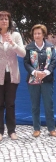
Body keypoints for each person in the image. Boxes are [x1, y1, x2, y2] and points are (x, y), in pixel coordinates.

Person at [24, 24, 56, 137]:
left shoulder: (50, 47)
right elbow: (26, 63)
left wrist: (46, 73)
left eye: (39, 33)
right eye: (35, 34)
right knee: (35, 105)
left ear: (43, 34)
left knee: (49, 105)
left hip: (47, 79)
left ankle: (51, 128)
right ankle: (36, 128)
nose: (37, 35)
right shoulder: (29, 47)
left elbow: (53, 62)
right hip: (33, 80)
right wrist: (35, 72)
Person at [0, 11, 26, 141]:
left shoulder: (15, 35)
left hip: (12, 74)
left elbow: (23, 54)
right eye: (1, 19)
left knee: (10, 103)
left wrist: (13, 44)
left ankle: (12, 131)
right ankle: (0, 132)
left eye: (6, 19)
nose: (4, 21)